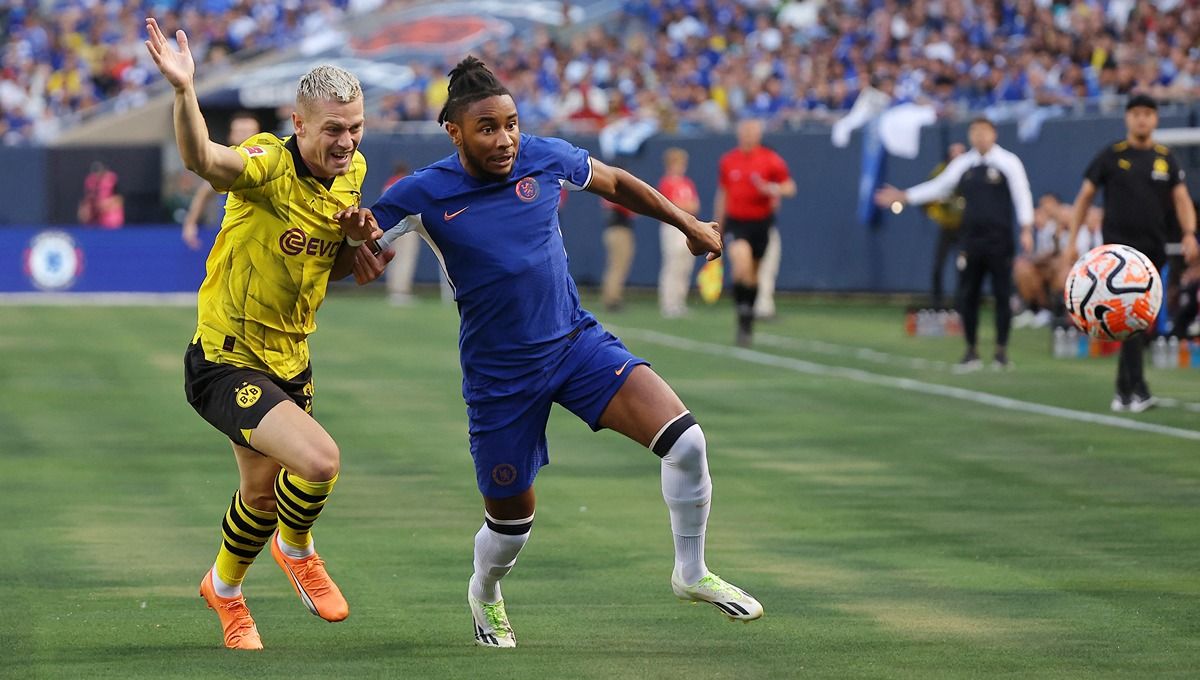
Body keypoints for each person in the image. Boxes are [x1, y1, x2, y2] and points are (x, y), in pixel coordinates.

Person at [337, 56, 763, 648]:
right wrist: (355, 245)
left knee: (687, 442)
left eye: (511, 122)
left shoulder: (544, 155)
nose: (506, 137)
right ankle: (485, 591)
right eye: (487, 127)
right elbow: (348, 264)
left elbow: (614, 181)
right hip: (500, 379)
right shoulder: (420, 193)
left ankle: (691, 573)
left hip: (573, 344)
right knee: (510, 528)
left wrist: (687, 223)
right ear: (454, 131)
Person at [144, 18, 380, 650]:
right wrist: (184, 90)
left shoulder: (352, 172)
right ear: (297, 123)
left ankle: (223, 591)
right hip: (225, 358)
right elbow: (204, 159)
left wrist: (352, 249)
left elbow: (326, 257)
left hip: (290, 357)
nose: (346, 141)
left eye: (355, 127)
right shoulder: (267, 165)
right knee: (319, 462)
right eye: (333, 128)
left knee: (260, 491)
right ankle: (297, 550)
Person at [1064, 94, 1199, 412]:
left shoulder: (1166, 158)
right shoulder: (1111, 156)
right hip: (1117, 261)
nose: (1142, 119)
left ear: (1156, 119)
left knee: (1139, 324)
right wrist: (1072, 239)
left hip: (1154, 254)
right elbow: (1085, 196)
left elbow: (1182, 200)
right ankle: (1136, 390)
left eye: (1148, 113)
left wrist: (1190, 233)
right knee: (1133, 320)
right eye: (1137, 113)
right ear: (1127, 117)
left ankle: (1124, 392)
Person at [876, 118, 1035, 371]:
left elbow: (1021, 193)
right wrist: (905, 196)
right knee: (968, 295)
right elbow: (939, 187)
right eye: (974, 133)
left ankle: (1001, 351)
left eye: (984, 132)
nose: (979, 137)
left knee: (1002, 296)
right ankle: (971, 350)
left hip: (999, 240)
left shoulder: (1008, 162)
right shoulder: (963, 164)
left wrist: (1026, 228)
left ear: (993, 134)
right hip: (970, 239)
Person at [713, 118, 795, 346]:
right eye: (745, 131)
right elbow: (723, 193)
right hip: (737, 222)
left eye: (752, 131)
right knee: (741, 264)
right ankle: (742, 317)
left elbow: (790, 187)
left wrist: (772, 188)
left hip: (761, 223)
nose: (748, 136)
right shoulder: (729, 160)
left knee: (753, 275)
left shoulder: (770, 159)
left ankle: (747, 318)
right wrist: (718, 224)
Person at [181, 111, 261, 250]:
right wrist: (190, 224)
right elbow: (204, 193)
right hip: (233, 238)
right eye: (240, 131)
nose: (245, 136)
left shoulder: (269, 163)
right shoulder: (225, 166)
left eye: (249, 131)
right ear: (231, 135)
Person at [1012, 192, 1068, 329]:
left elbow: (1066, 253)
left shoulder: (1068, 216)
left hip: (1071, 265)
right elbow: (1046, 252)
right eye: (1042, 205)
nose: (1045, 207)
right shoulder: (1045, 227)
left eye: (1047, 204)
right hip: (1048, 265)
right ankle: (1037, 310)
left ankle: (1060, 313)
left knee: (1059, 268)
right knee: (1023, 269)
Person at [657, 147, 700, 318]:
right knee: (672, 264)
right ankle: (669, 302)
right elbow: (671, 205)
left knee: (685, 265)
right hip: (672, 228)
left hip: (687, 227)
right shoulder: (666, 182)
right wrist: (684, 205)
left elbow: (694, 205)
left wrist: (684, 205)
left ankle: (680, 300)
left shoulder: (687, 183)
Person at [925, 143, 966, 309]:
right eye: (954, 152)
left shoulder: (970, 171)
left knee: (963, 265)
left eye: (960, 153)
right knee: (938, 265)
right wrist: (941, 215)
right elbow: (929, 195)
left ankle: (962, 303)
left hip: (964, 228)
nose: (957, 156)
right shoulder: (941, 171)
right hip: (947, 227)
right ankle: (936, 302)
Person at [600, 195, 637, 312]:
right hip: (619, 230)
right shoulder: (615, 191)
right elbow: (630, 209)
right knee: (618, 266)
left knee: (617, 266)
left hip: (617, 229)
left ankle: (612, 297)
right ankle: (612, 299)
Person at [77, 161, 124, 229]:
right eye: (95, 172)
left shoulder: (113, 180)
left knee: (111, 220)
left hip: (110, 216)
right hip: (94, 216)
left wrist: (106, 205)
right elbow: (86, 201)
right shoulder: (90, 182)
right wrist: (85, 209)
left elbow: (120, 200)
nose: (97, 176)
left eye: (100, 172)